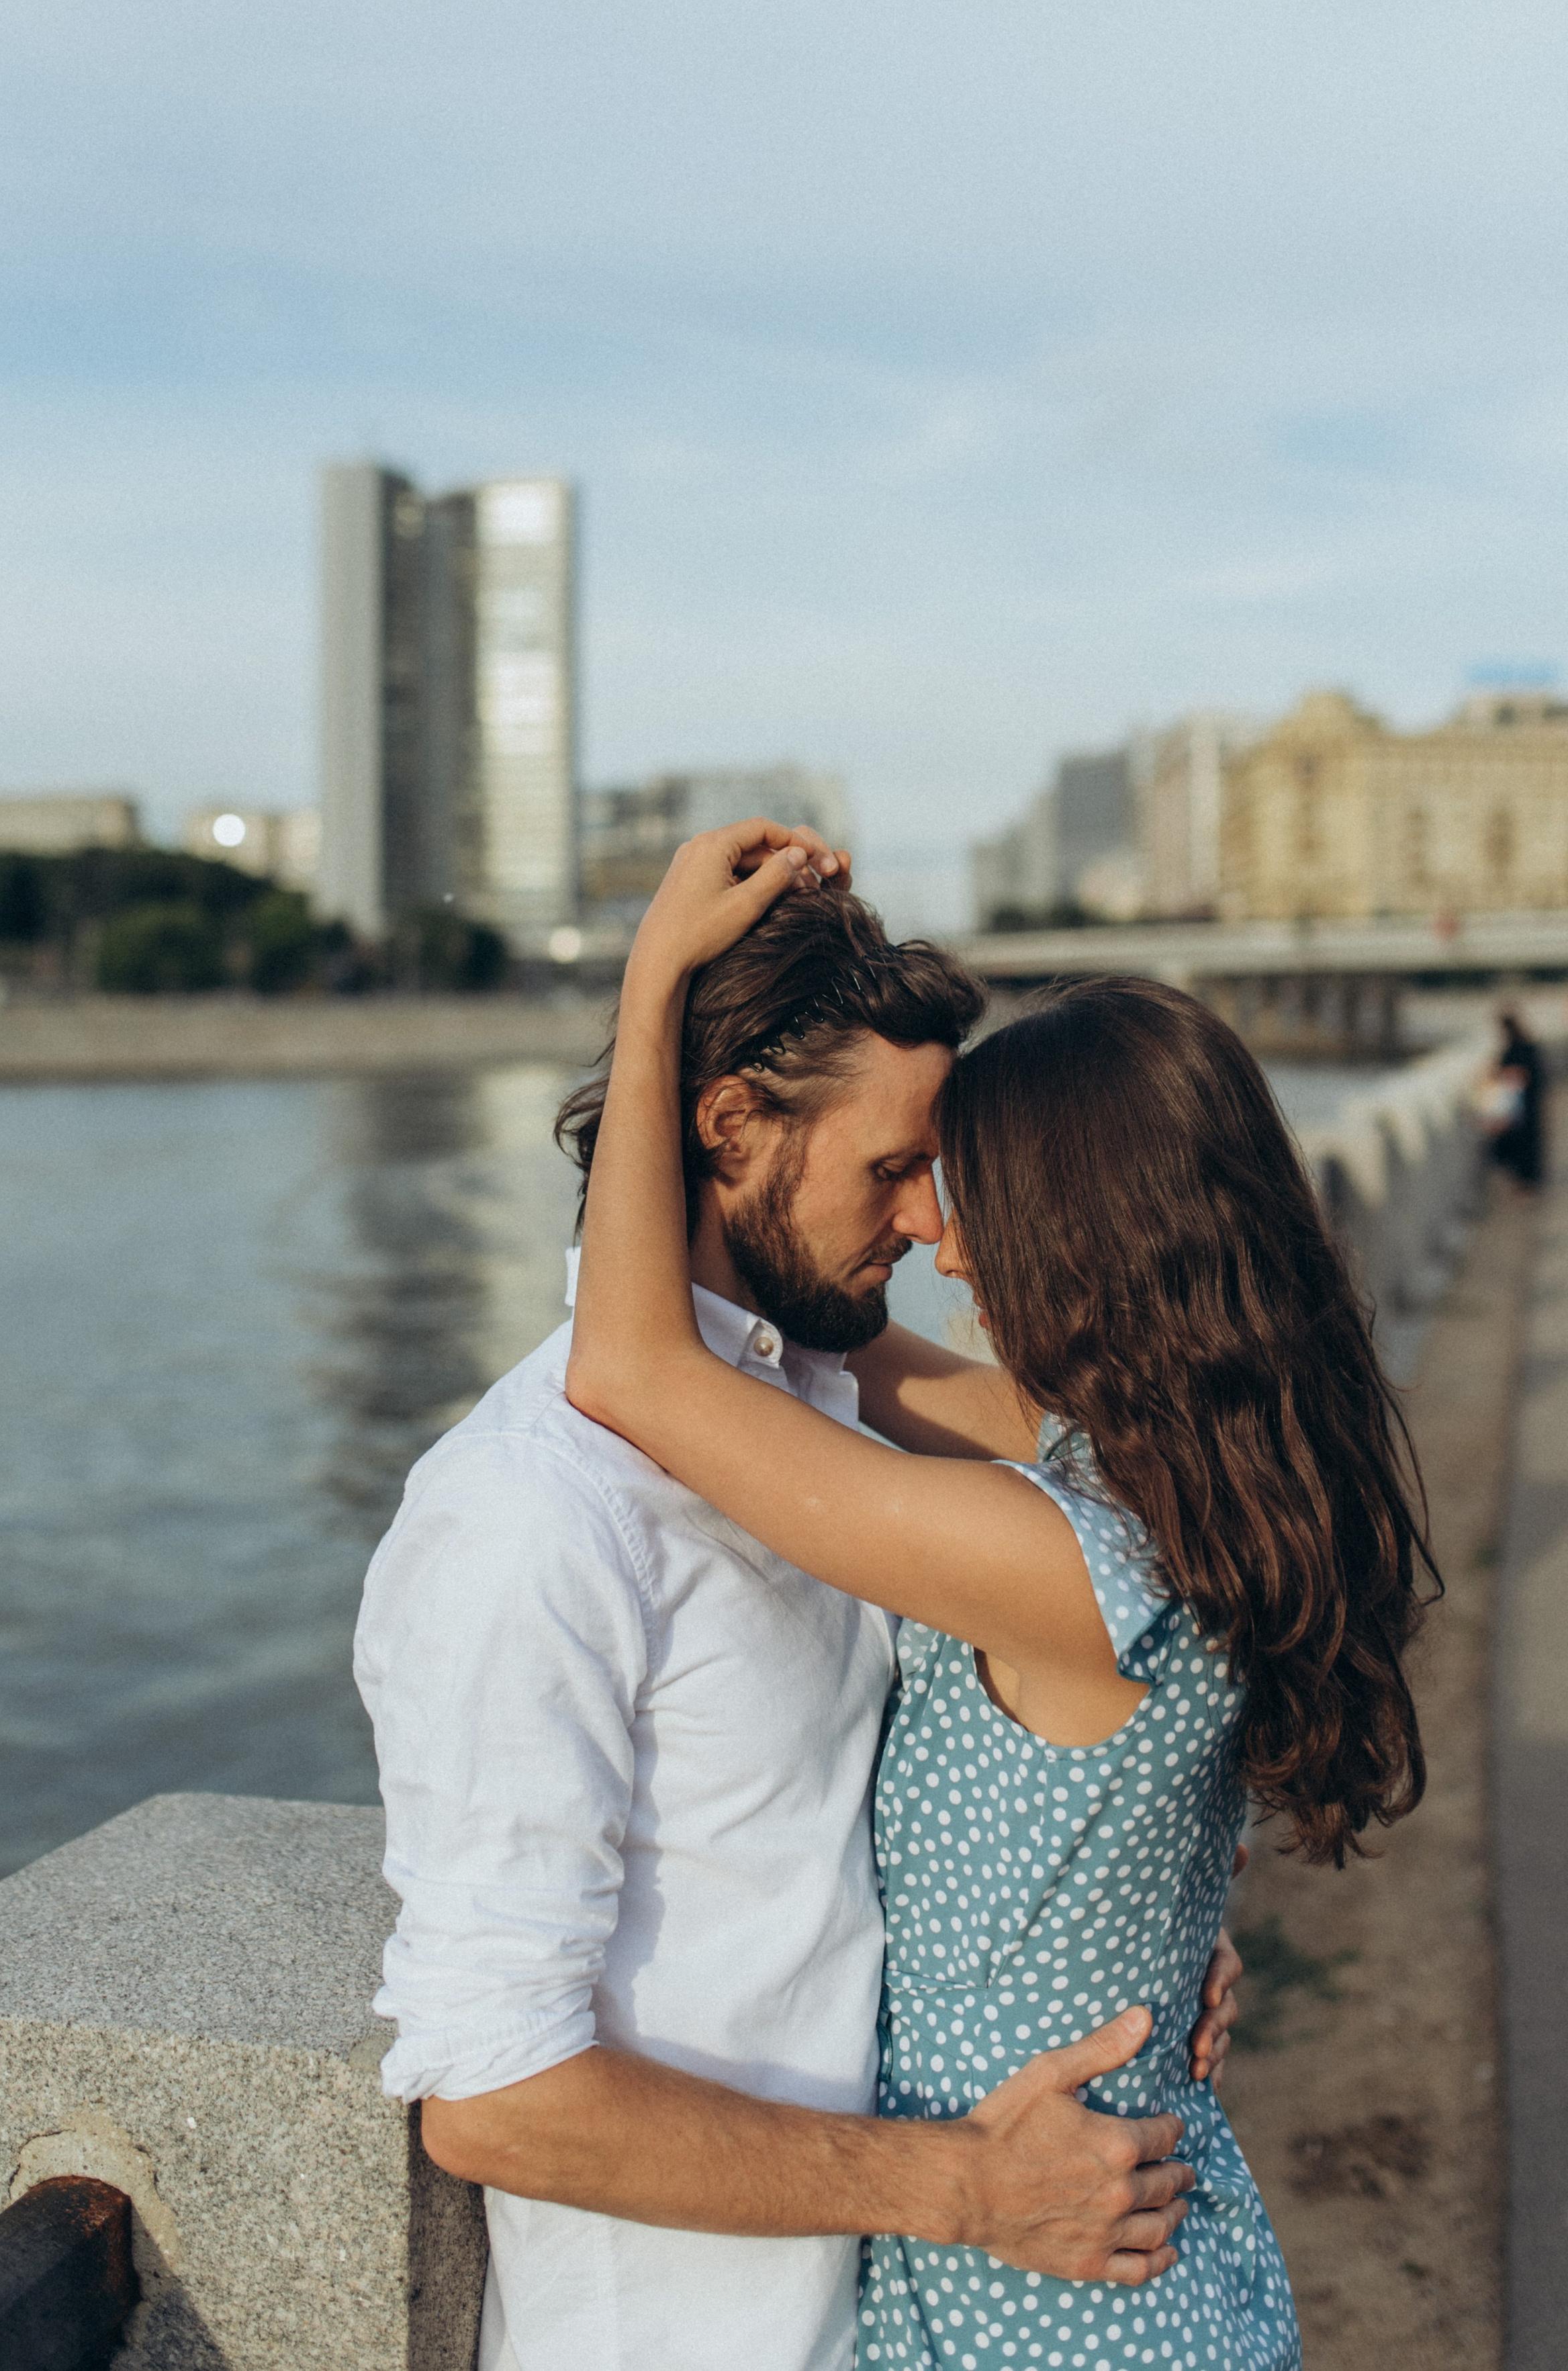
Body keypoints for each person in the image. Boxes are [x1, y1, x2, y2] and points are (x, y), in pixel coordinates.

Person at [566, 821, 1440, 2371]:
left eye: (963, 1191)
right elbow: (814, 1336)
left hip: (1047, 2306)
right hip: (1126, 2263)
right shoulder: (1183, 1472)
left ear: (1084, 1239)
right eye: (909, 1177)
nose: (928, 1233)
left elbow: (635, 1367)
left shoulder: (1062, 1556)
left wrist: (650, 999)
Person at [354, 845, 1242, 2371]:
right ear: (729, 1125)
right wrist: (959, 2185)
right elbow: (494, 2094)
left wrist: (1132, 1920)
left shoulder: (826, 1404)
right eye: (893, 1166)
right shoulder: (526, 1512)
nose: (925, 1220)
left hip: (913, 2309)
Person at [1489, 1008, 1546, 1191]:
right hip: (1525, 1102)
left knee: (1523, 1141)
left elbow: (1523, 1073)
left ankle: (1526, 1182)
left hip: (1521, 1103)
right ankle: (1526, 1180)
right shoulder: (1524, 1044)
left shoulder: (1518, 1046)